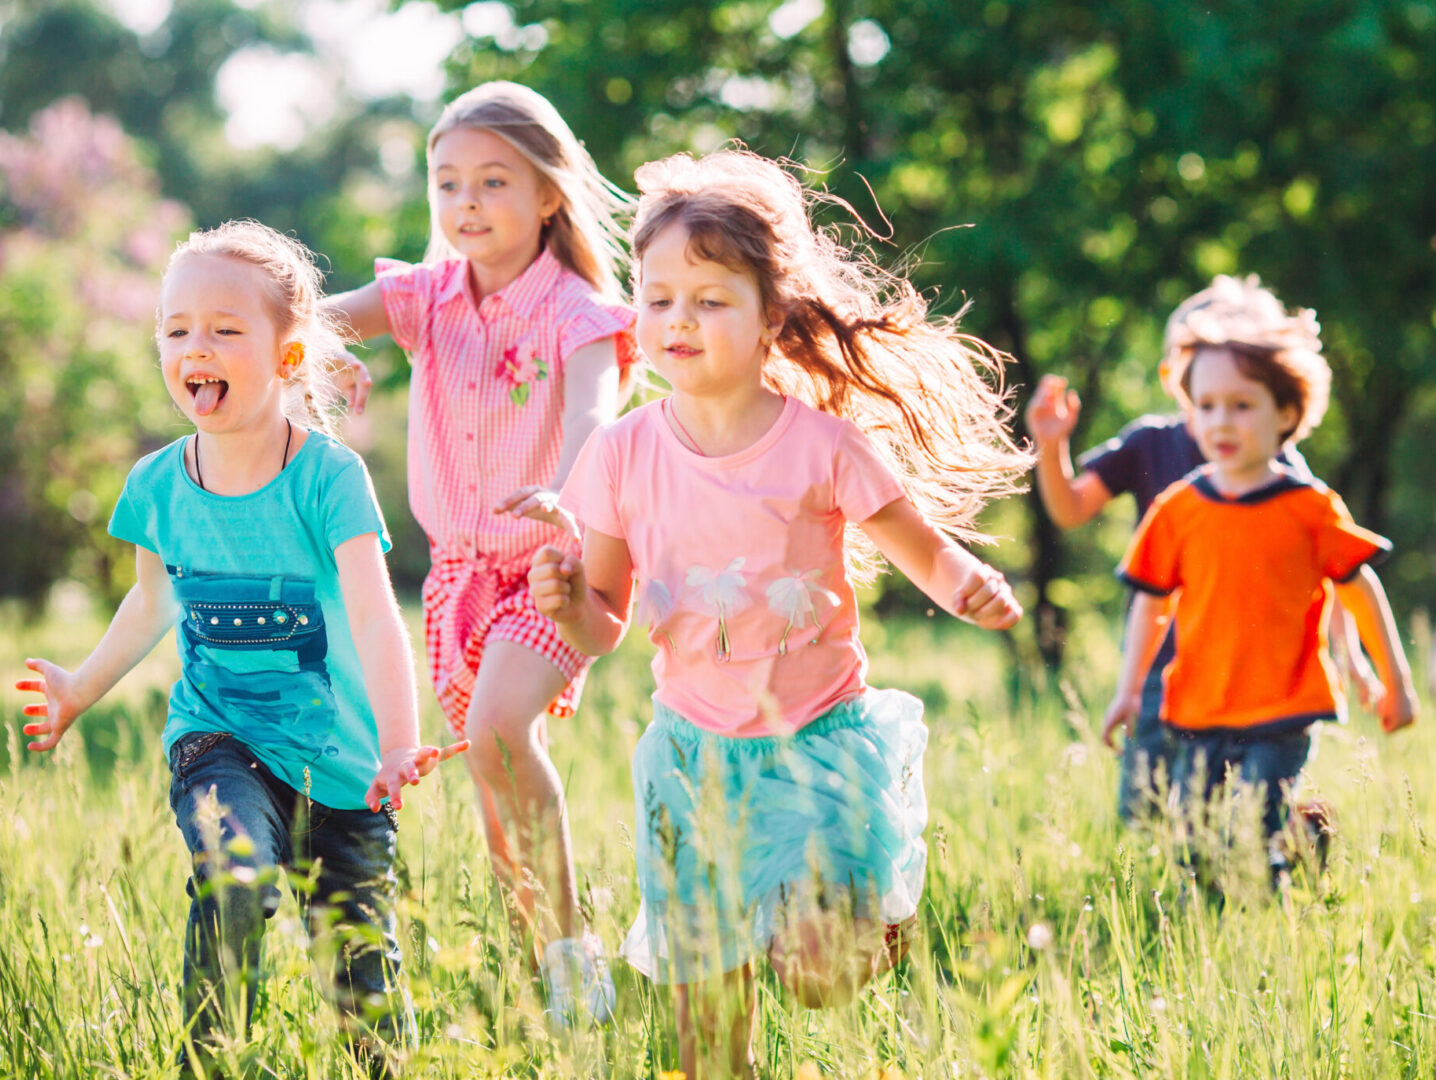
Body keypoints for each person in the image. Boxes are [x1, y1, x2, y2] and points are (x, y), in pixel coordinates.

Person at [528, 150, 1032, 1079]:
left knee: (816, 976)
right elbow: (607, 620)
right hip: (690, 759)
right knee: (706, 1048)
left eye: (711, 300)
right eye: (659, 296)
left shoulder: (821, 446)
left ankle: (869, 923)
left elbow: (922, 550)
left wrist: (967, 585)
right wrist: (570, 608)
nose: (679, 319)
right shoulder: (617, 455)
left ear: (773, 317)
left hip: (816, 744)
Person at [14, 221, 466, 1075]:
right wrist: (80, 686)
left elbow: (375, 617)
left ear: (290, 357)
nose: (196, 346)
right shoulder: (156, 485)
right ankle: (213, 1060)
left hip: (343, 768)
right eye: (176, 328)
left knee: (364, 988)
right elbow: (150, 603)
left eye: (225, 329)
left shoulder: (326, 478)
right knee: (234, 877)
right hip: (218, 739)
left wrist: (402, 741)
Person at [323, 81, 635, 1024]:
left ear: (548, 194)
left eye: (492, 182)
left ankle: (576, 956)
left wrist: (567, 491)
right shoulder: (424, 299)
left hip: (552, 566)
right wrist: (318, 351)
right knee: (495, 783)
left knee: (502, 731)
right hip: (458, 576)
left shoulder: (579, 310)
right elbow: (306, 319)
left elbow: (592, 409)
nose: (465, 204)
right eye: (447, 183)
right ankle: (538, 970)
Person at [1026, 275, 1380, 822]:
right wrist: (1052, 448)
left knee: (1248, 811)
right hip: (1160, 663)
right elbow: (1070, 509)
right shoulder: (1149, 441)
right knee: (1145, 812)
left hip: (1253, 674)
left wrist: (1350, 656)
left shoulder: (1280, 468)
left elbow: (1329, 571)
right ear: (1176, 374)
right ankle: (1185, 891)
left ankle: (1289, 845)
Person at [1100, 298, 1418, 881]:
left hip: (1285, 704)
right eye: (1208, 405)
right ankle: (1300, 841)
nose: (1221, 421)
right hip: (1199, 706)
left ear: (1288, 412)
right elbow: (1149, 603)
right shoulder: (1178, 510)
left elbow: (1360, 588)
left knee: (1246, 833)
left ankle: (1270, 898)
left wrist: (1393, 681)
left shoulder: (1310, 508)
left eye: (1242, 406)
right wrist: (1126, 692)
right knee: (1195, 852)